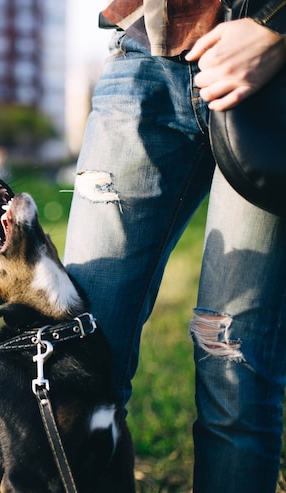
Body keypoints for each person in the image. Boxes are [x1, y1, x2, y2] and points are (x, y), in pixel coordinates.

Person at [63, 1, 286, 491]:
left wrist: (277, 27)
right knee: (77, 368)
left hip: (274, 81)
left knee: (237, 380)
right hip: (143, 58)